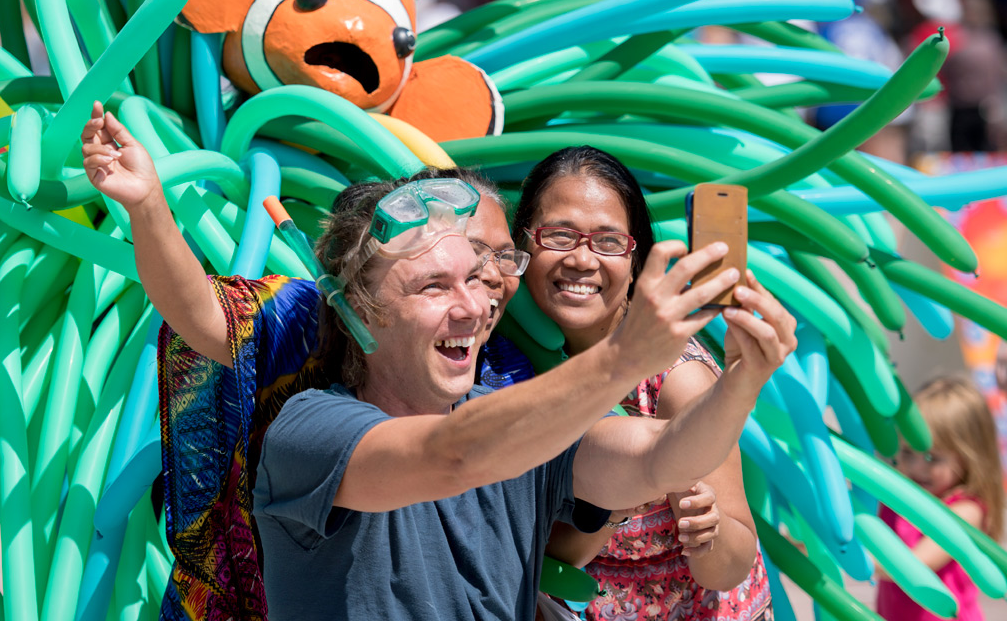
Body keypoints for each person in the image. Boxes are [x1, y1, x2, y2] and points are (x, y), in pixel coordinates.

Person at [81, 104, 796, 620]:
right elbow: (453, 455)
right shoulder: (309, 427)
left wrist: (742, 379)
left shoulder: (518, 390)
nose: (475, 302)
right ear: (360, 310)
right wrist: (148, 209)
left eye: (486, 273)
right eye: (435, 283)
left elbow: (660, 458)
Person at [499, 146, 772, 620]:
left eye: (607, 242)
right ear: (522, 243)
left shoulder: (676, 381)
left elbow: (731, 566)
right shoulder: (494, 353)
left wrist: (707, 534)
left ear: (634, 262)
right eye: (559, 235)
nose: (582, 260)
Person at [877, 376, 1005, 621]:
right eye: (907, 452)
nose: (916, 467)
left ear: (969, 456)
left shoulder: (965, 511)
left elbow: (915, 567)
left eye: (932, 458)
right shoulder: (901, 497)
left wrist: (848, 554)